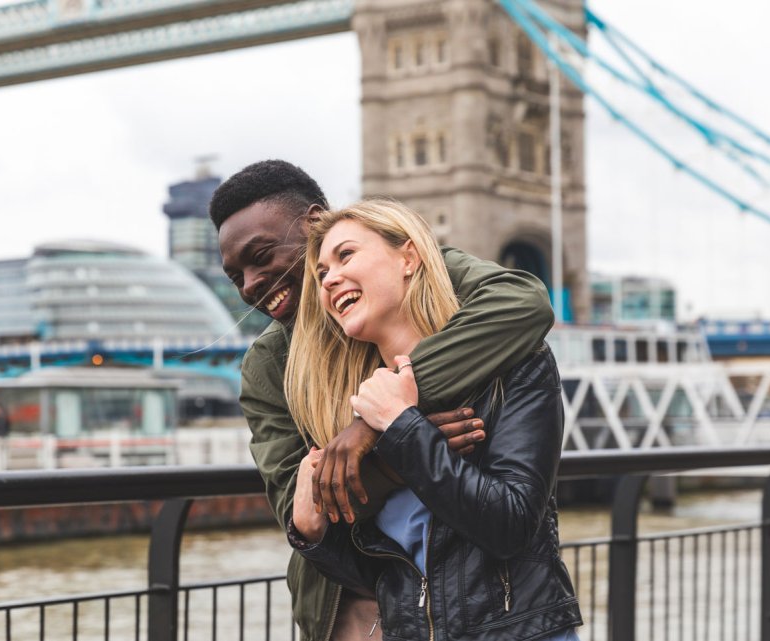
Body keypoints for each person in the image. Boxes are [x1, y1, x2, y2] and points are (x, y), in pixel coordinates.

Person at [211, 160, 555, 640]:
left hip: (477, 607)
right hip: (350, 605)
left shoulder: (408, 265)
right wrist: (399, 447)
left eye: (261, 255)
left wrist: (375, 424)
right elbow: (305, 515)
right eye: (235, 277)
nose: (249, 285)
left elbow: (525, 304)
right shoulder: (269, 364)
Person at [287, 199, 581, 640]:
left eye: (345, 255)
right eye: (321, 272)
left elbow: (511, 526)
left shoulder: (516, 365)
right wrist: (312, 533)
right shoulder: (356, 407)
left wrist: (403, 426)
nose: (329, 278)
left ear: (408, 258)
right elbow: (380, 575)